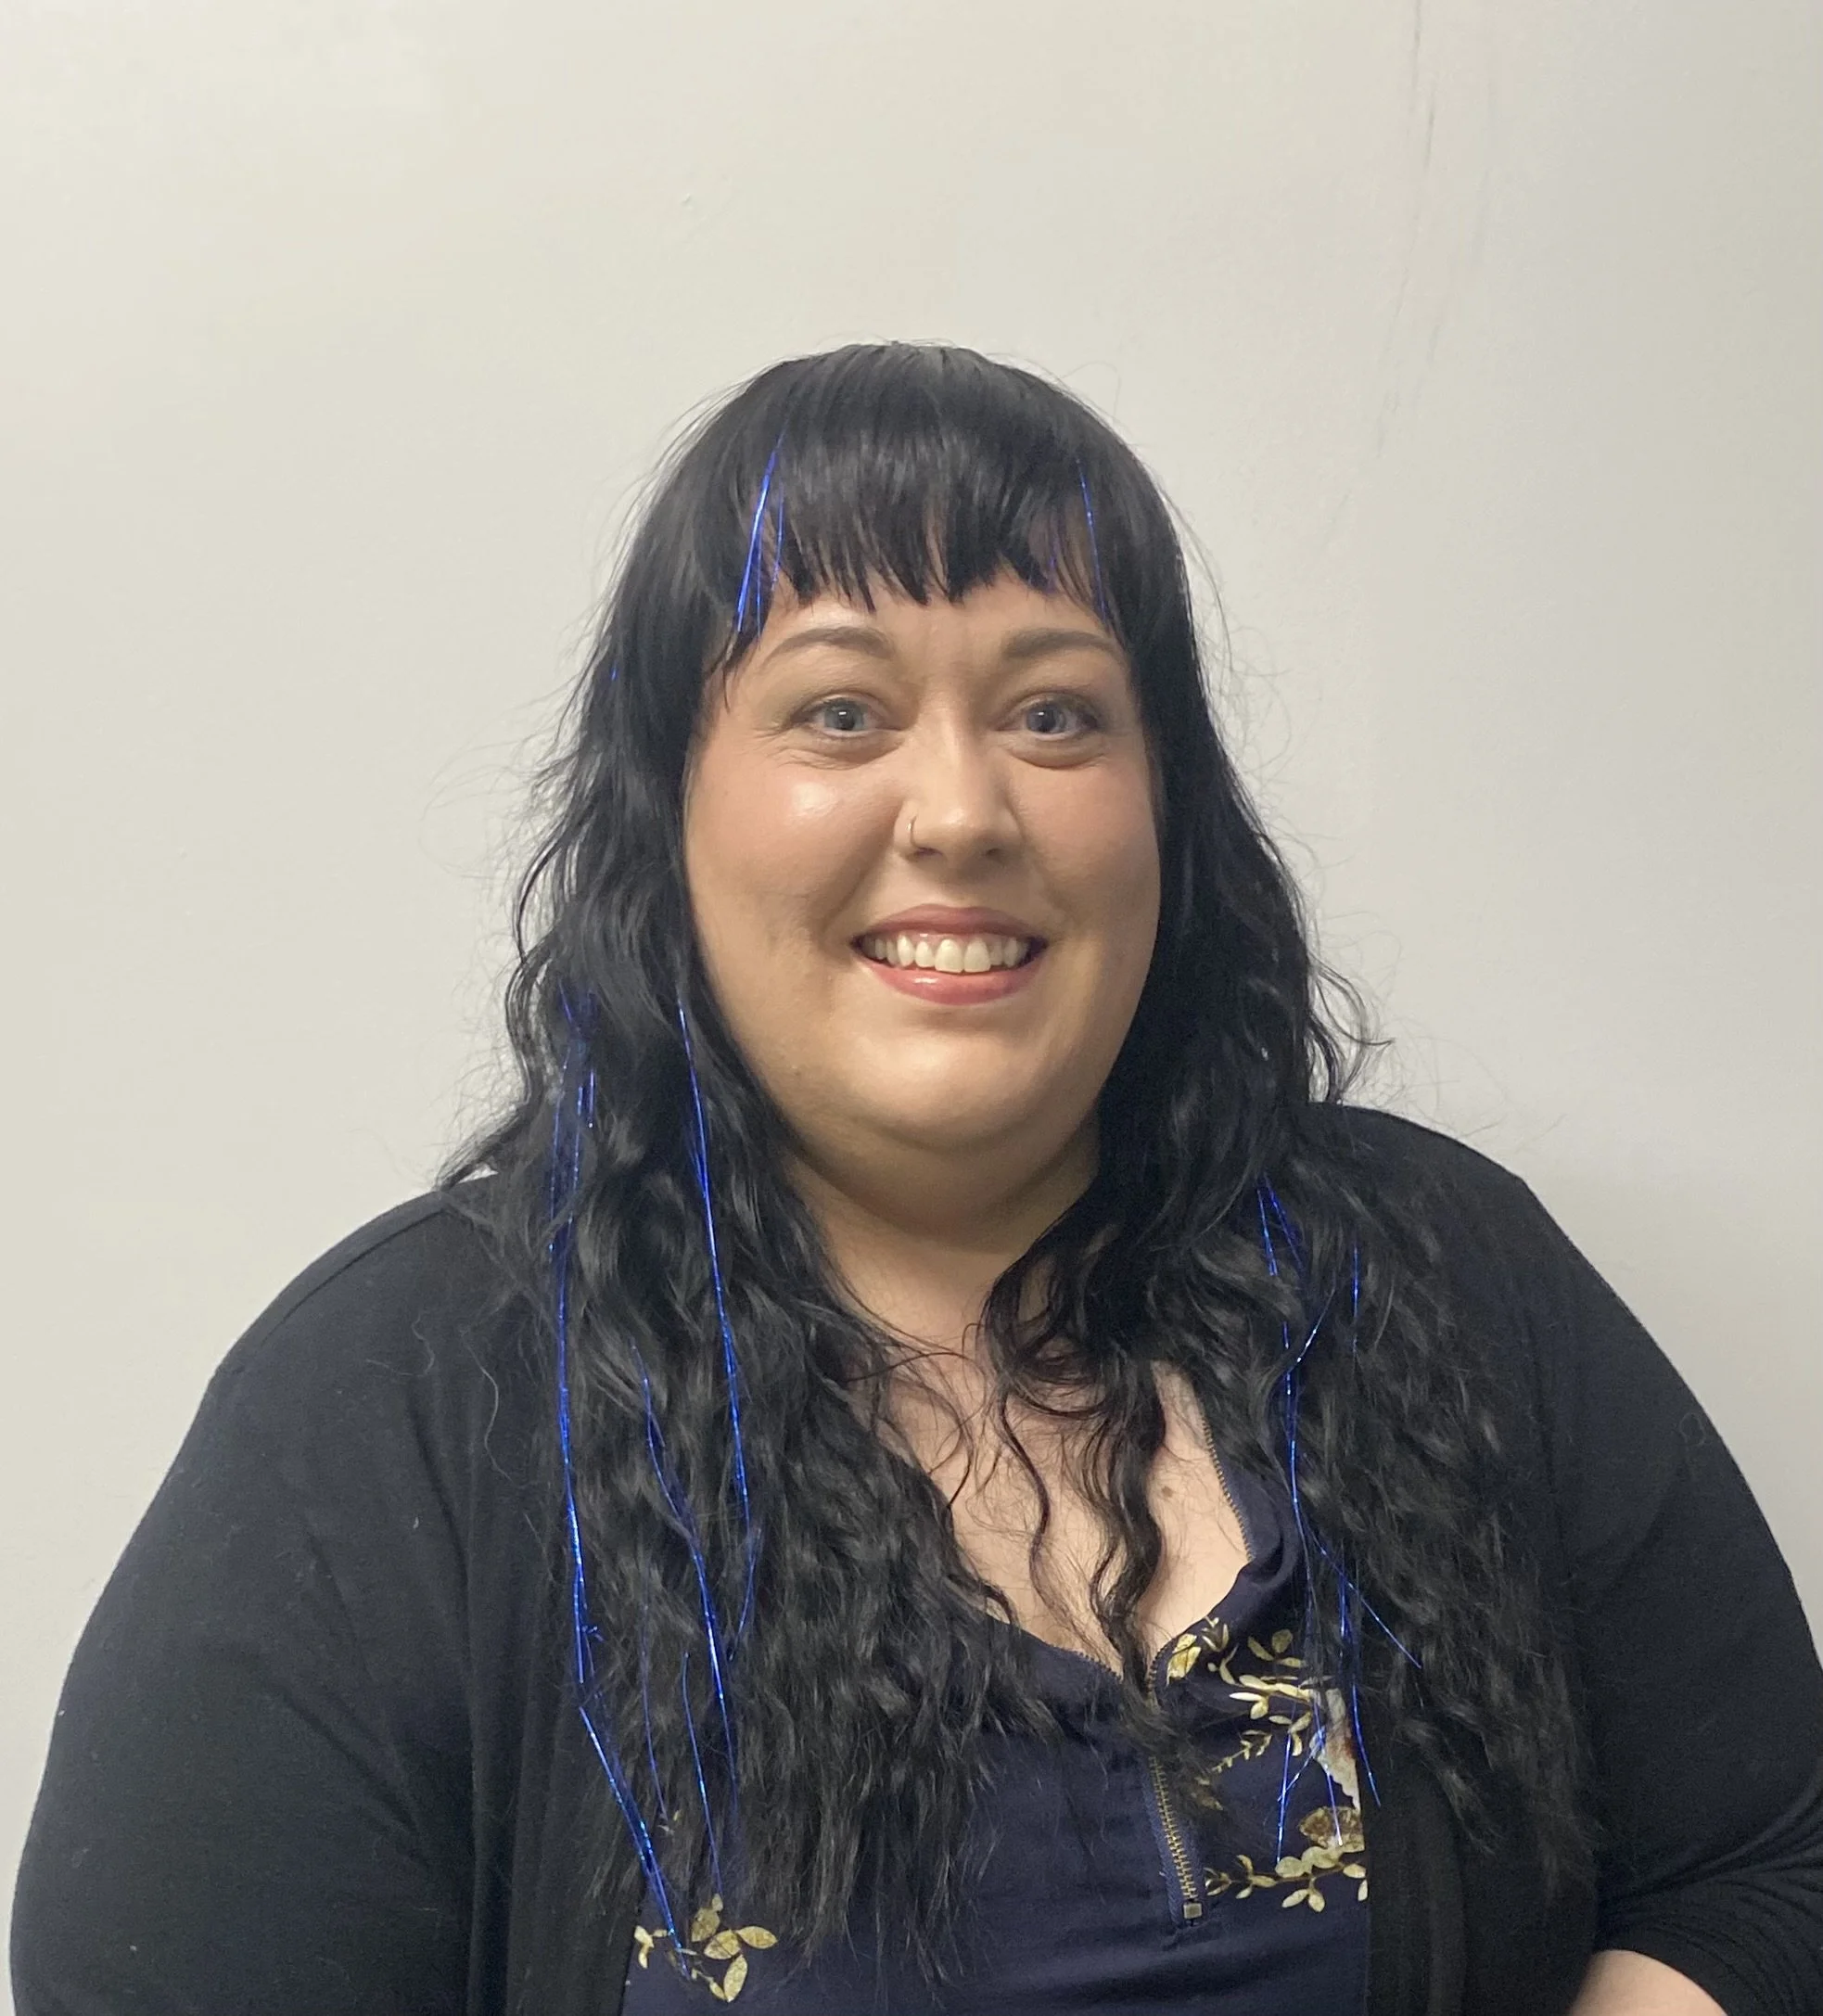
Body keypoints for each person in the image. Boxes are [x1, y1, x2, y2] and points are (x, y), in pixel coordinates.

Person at [12, 343, 1822, 2016]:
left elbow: (1763, 1863)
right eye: (838, 711)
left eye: (1053, 715)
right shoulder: (396, 1404)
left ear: (1165, 807)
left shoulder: (1436, 1272)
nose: (959, 811)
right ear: (671, 808)